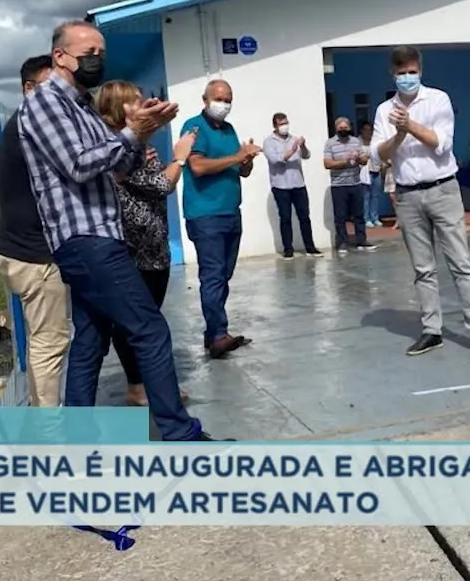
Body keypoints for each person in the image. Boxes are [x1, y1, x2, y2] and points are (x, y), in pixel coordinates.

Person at [18, 20, 225, 441]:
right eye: (88, 51)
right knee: (148, 329)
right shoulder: (44, 105)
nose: (97, 59)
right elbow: (78, 165)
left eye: (101, 52)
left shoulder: (80, 106)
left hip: (103, 235)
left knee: (91, 341)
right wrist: (132, 133)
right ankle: (180, 433)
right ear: (60, 56)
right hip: (85, 238)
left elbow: (119, 167)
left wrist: (141, 132)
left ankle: (78, 436)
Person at [374, 45, 470, 357]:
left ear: (420, 71)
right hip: (408, 196)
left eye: (412, 72)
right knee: (423, 268)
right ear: (393, 74)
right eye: (401, 73)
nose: (407, 78)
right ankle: (432, 330)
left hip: (443, 190)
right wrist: (399, 135)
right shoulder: (384, 110)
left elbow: (441, 144)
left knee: (460, 262)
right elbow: (378, 155)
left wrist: (409, 125)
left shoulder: (438, 99)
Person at [93, 81, 194, 406]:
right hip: (132, 250)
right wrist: (179, 159)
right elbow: (161, 184)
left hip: (154, 246)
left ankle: (148, 382)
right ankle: (141, 385)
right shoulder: (113, 148)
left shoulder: (140, 146)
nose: (145, 107)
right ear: (119, 108)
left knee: (146, 321)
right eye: (136, 103)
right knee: (140, 324)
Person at [0, 55, 70, 407]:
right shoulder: (31, 130)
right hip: (34, 257)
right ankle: (50, 432)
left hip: (19, 251)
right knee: (49, 343)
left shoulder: (19, 126)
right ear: (29, 89)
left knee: (43, 340)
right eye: (52, 88)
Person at [180, 79, 262, 357]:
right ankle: (218, 334)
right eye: (218, 98)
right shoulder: (194, 127)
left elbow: (241, 171)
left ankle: (213, 332)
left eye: (228, 99)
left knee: (223, 276)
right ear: (205, 100)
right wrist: (236, 156)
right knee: (213, 276)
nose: (223, 104)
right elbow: (198, 166)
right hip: (205, 215)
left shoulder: (229, 130)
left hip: (230, 212)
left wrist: (246, 160)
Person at [262, 112, 323, 259]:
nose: (285, 126)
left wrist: (302, 146)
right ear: (275, 126)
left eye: (286, 123)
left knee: (304, 216)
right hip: (280, 185)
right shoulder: (269, 142)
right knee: (285, 217)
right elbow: (275, 160)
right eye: (281, 124)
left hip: (298, 184)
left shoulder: (294, 139)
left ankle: (310, 247)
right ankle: (288, 249)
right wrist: (291, 150)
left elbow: (306, 155)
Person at [323, 117, 377, 253]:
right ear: (336, 129)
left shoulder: (355, 141)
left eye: (346, 128)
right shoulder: (330, 143)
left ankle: (361, 240)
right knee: (340, 216)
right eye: (341, 128)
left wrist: (359, 158)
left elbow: (364, 161)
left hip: (355, 183)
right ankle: (342, 242)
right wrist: (345, 161)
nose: (343, 130)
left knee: (359, 214)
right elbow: (327, 164)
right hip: (338, 185)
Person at [361, 122, 385, 227]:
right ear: (362, 131)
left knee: (375, 196)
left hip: (376, 170)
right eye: (366, 130)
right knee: (366, 196)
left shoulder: (374, 142)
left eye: (370, 130)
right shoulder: (358, 142)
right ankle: (366, 218)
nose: (368, 132)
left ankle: (375, 217)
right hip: (365, 172)